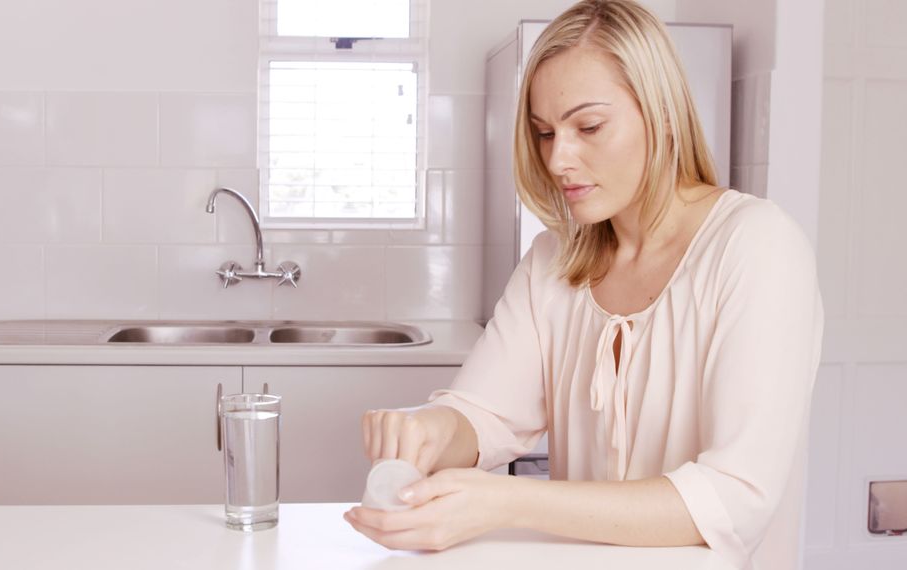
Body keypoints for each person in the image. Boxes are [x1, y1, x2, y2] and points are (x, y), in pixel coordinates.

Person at [342, 1, 824, 569]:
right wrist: (427, 430)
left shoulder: (757, 247)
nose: (558, 158)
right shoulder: (554, 260)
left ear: (662, 112)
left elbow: (732, 499)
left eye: (589, 126)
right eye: (545, 133)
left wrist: (507, 501)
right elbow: (486, 414)